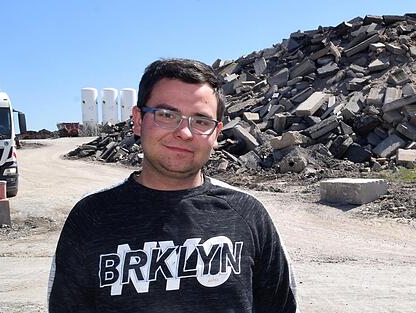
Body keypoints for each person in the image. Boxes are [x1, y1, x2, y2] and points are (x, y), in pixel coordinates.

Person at [48, 58, 298, 312]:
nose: (184, 133)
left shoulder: (248, 215)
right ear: (137, 120)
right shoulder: (91, 218)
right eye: (167, 115)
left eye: (201, 121)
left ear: (217, 133)